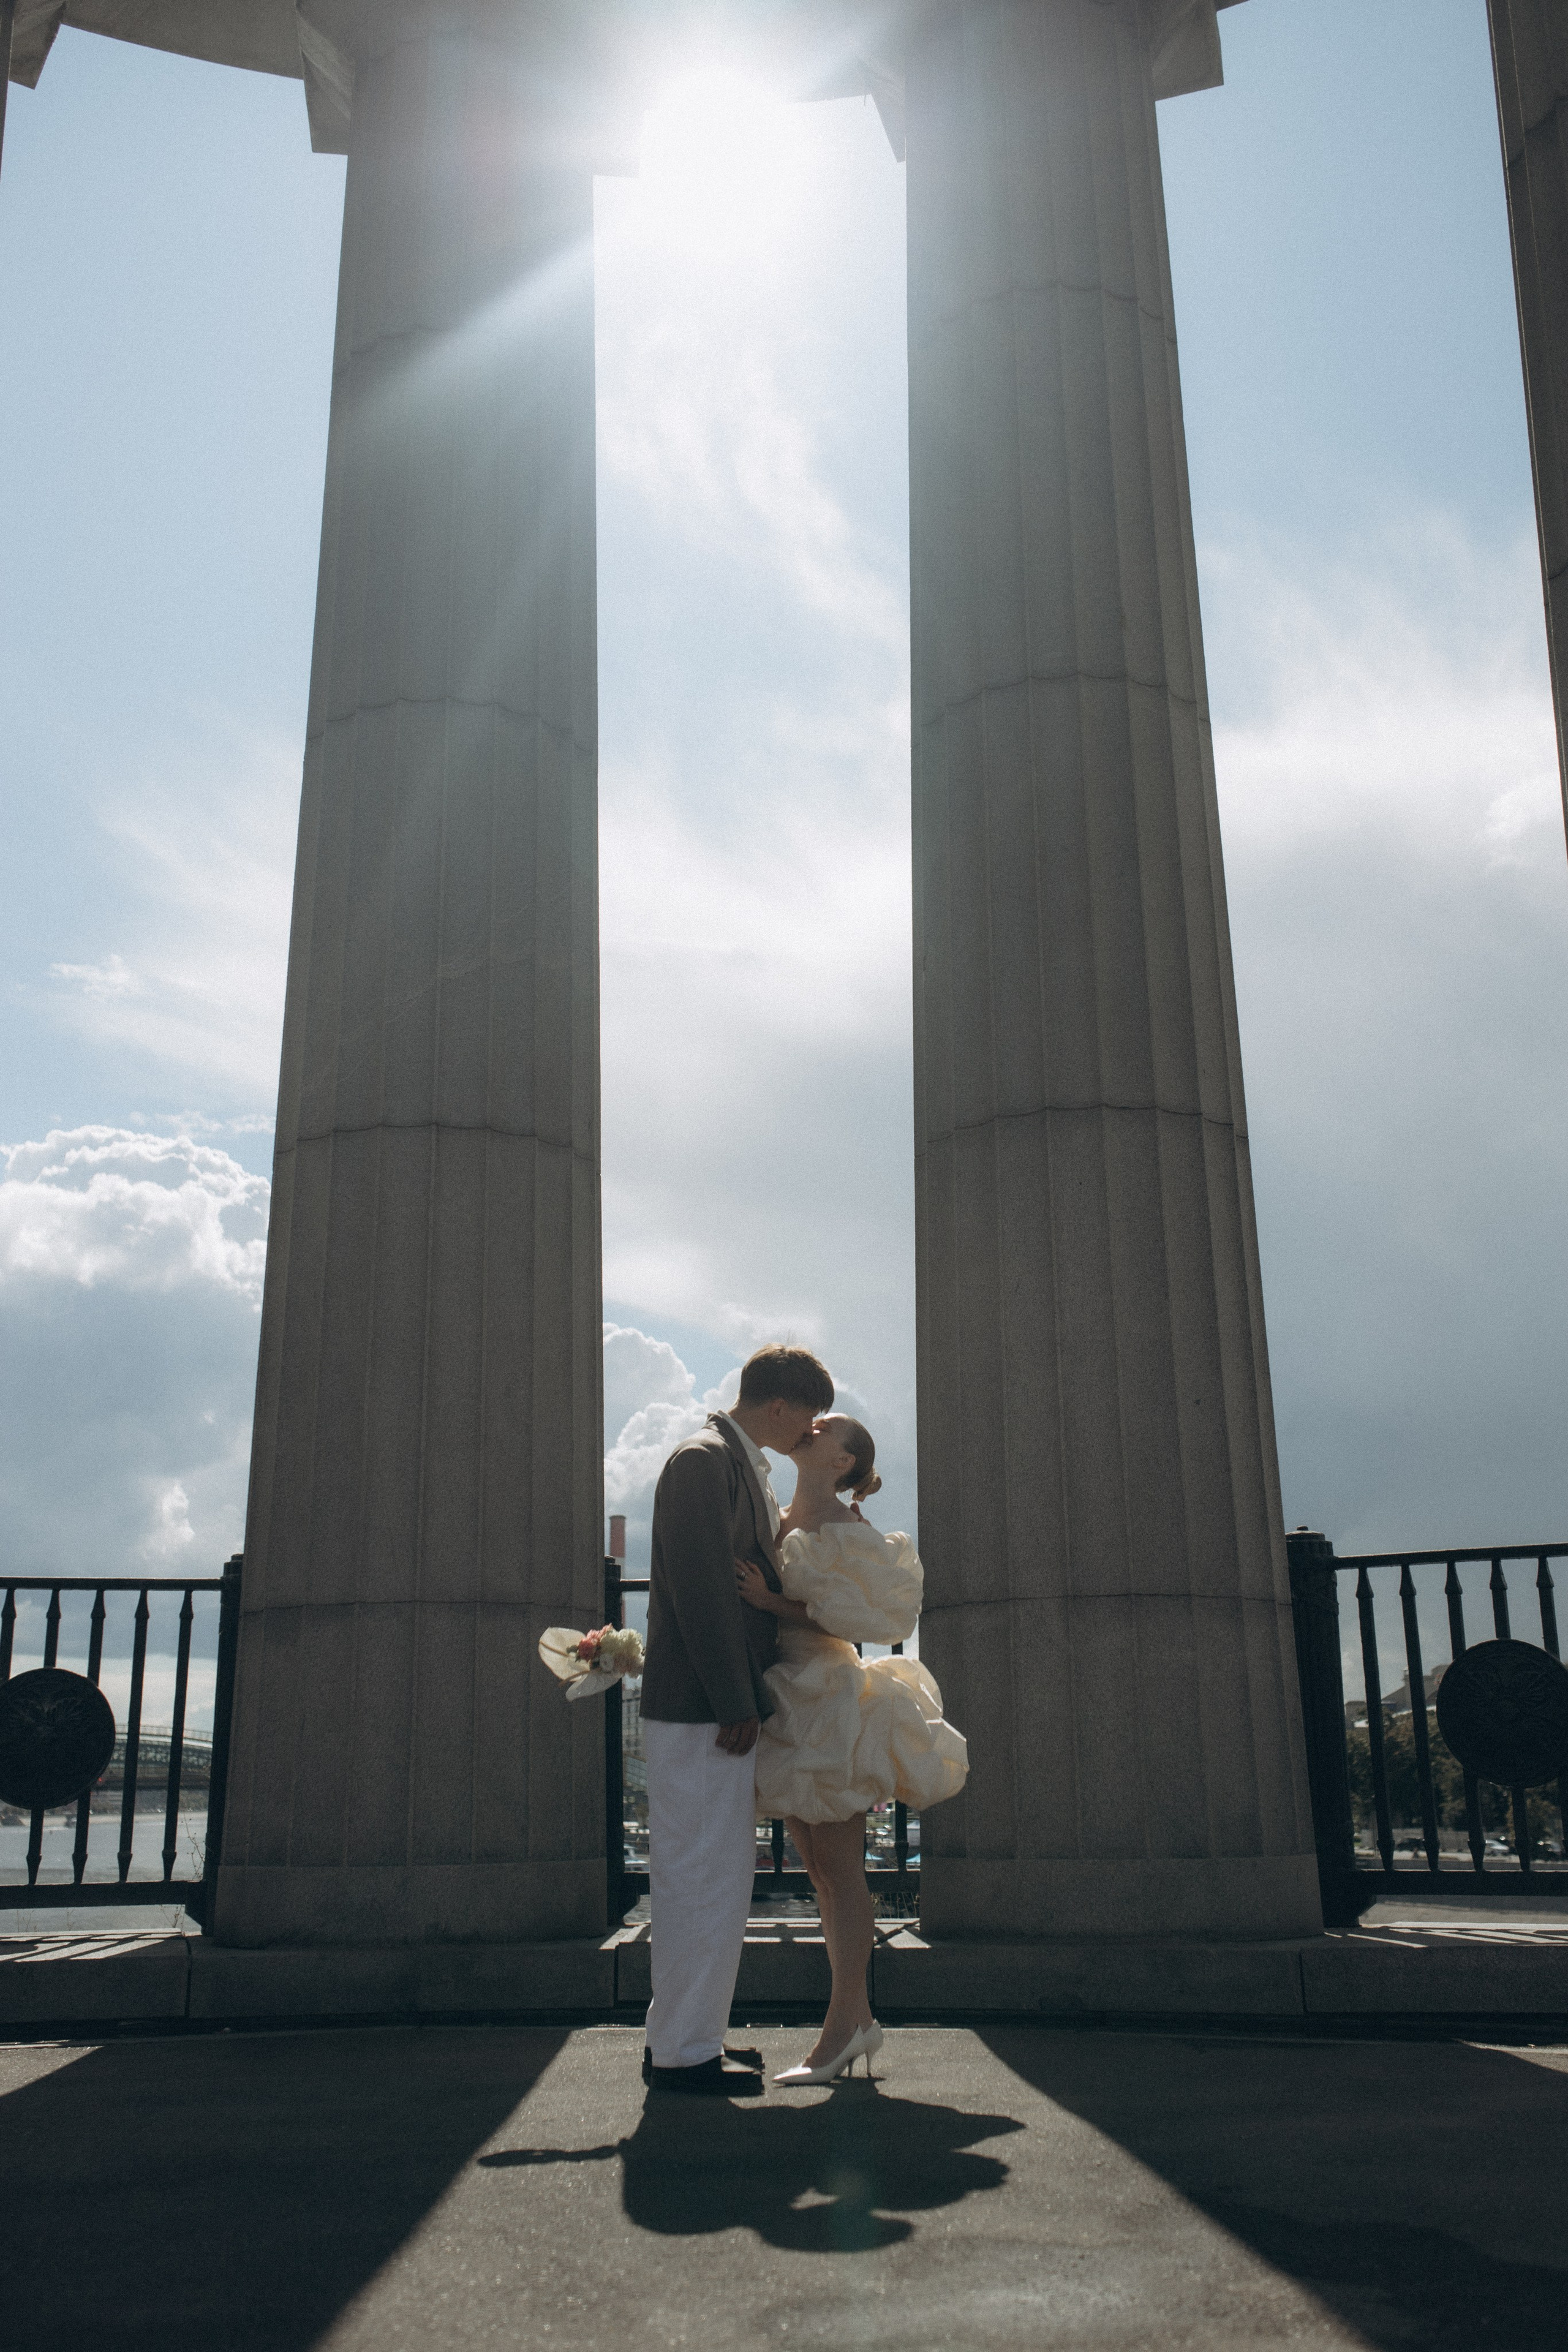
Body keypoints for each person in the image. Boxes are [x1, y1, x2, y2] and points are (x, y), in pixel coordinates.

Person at [735, 1414, 967, 2086]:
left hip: (825, 1693)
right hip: (789, 1693)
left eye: (829, 1427)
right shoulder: (777, 1512)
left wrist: (770, 1601)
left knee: (839, 1870)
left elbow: (860, 1621)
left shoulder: (849, 1529)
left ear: (843, 1461)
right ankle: (855, 2023)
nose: (812, 1426)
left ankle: (841, 2030)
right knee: (819, 1869)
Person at [639, 1342, 835, 2095]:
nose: (810, 1433)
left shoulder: (720, 1458)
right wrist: (734, 1699)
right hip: (702, 1710)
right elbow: (699, 1589)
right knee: (701, 1880)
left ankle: (686, 2041)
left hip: (706, 1707)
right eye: (808, 1417)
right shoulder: (702, 1461)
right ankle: (685, 2056)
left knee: (710, 1877)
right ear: (779, 1407)